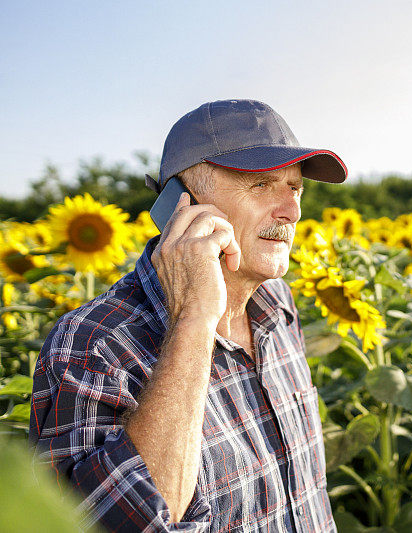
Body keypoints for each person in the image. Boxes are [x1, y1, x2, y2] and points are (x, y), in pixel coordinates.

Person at [29, 99, 347, 532]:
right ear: (180, 203)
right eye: (261, 184)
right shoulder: (93, 345)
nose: (290, 211)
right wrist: (194, 320)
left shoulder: (279, 305)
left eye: (293, 187)